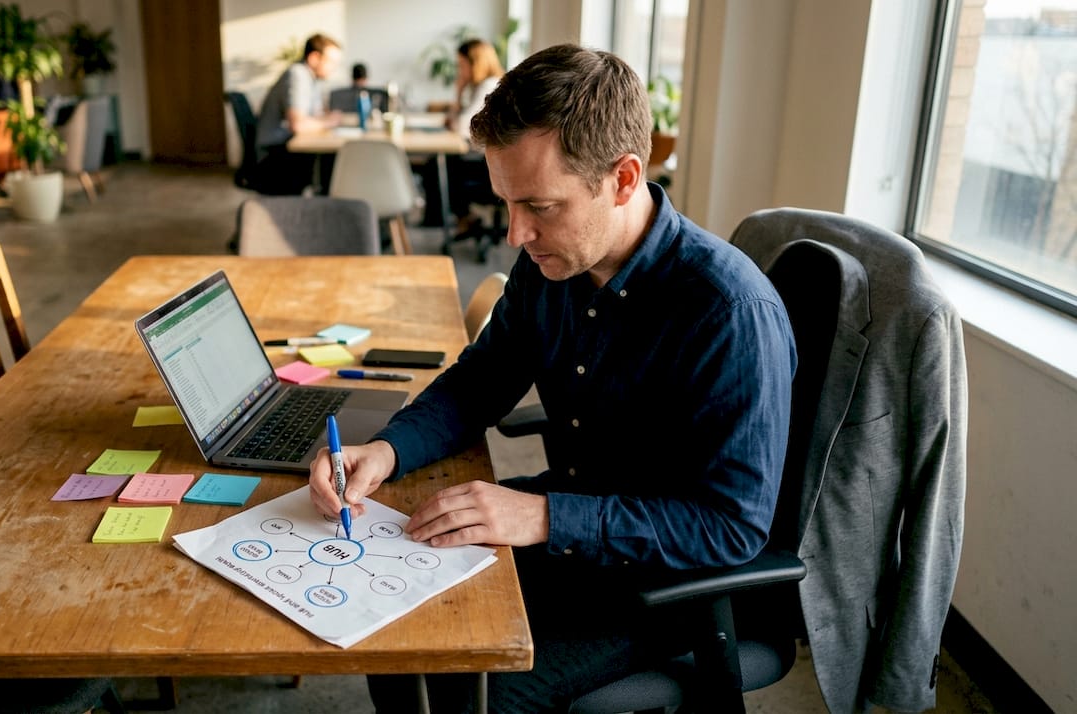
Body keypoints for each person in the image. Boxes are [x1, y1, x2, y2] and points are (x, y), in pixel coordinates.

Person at [309, 44, 797, 712]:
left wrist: (542, 515)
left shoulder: (728, 312)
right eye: (507, 202)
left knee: (476, 687)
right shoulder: (554, 269)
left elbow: (731, 529)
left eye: (539, 205)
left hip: (676, 583)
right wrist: (388, 449)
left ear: (623, 179)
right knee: (394, 623)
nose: (516, 233)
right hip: (576, 529)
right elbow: (481, 380)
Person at [252, 33, 343, 195]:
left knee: (332, 160)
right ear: (314, 58)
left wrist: (326, 117)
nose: (334, 67)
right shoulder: (297, 75)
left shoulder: (310, 78)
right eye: (332, 62)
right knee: (333, 160)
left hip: (283, 149)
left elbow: (314, 114)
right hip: (273, 157)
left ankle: (325, 205)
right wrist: (331, 122)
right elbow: (298, 125)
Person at [445, 38, 506, 237]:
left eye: (462, 65)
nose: (460, 70)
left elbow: (462, 126)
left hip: (488, 164)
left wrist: (458, 91)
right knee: (443, 162)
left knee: (443, 165)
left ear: (475, 63)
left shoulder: (489, 86)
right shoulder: (480, 86)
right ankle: (463, 218)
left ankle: (464, 218)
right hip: (483, 158)